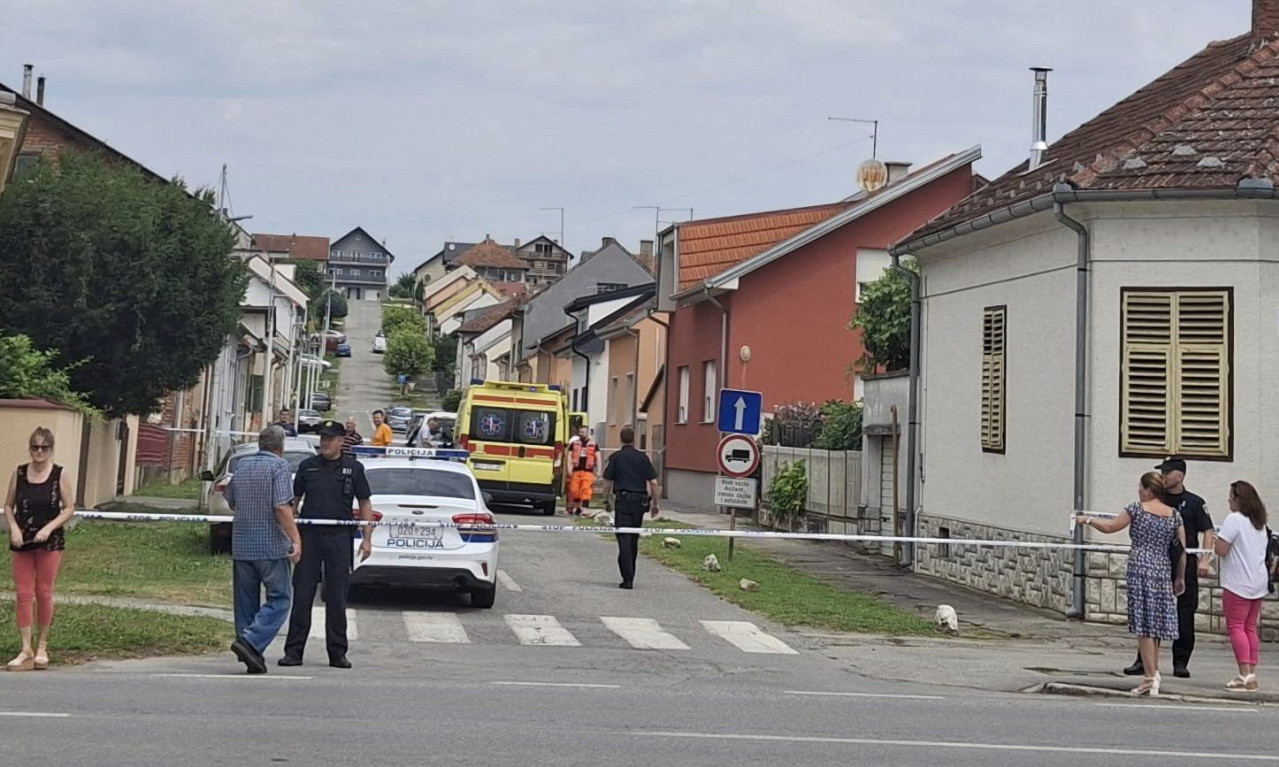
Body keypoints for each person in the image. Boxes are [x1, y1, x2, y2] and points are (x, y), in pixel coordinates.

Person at [280, 420, 374, 669]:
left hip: (338, 539)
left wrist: (367, 538)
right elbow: (294, 501)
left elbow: (364, 503)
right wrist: (292, 535)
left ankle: (337, 652)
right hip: (309, 537)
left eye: (330, 438)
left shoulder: (353, 469)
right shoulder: (308, 466)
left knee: (336, 597)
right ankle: (294, 651)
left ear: (342, 441)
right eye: (323, 437)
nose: (325, 442)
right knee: (302, 595)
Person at [1083, 472, 1186, 696]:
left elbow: (1111, 527)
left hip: (1140, 567)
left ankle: (1149, 676)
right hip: (1162, 569)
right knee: (1155, 623)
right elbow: (1182, 549)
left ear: (1149, 490)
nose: (1138, 491)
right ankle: (1154, 671)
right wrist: (1180, 577)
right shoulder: (1174, 515)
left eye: (1141, 487)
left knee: (1144, 625)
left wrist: (1088, 520)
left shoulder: (1137, 509)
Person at [1123, 456, 1214, 679]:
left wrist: (1204, 559)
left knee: (1185, 612)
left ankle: (1180, 661)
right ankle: (1144, 661)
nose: (1163, 476)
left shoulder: (1194, 502)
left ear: (1180, 476)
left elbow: (1208, 532)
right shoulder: (1157, 500)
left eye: (1167, 472)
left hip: (1184, 561)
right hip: (1158, 563)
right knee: (1151, 611)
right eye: (1161, 472)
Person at [224, 425, 302, 674]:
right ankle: (251, 640)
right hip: (270, 545)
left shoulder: (242, 466)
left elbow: (232, 500)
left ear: (260, 444)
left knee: (246, 601)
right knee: (281, 598)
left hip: (242, 544)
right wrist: (296, 539)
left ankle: (251, 653)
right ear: (281, 447)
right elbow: (281, 506)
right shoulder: (279, 466)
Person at [4, 428, 75, 672]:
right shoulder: (20, 473)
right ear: (30, 448)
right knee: (23, 593)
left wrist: (49, 528)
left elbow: (68, 508)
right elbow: (8, 505)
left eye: (44, 447)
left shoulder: (59, 474)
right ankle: (25, 647)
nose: (39, 452)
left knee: (43, 591)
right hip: (23, 540)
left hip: (49, 540)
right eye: (35, 447)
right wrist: (13, 528)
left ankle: (42, 644)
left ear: (51, 449)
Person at [1215, 480, 1270, 692]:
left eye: (1232, 496)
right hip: (1257, 581)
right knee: (1250, 628)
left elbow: (1222, 549)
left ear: (1239, 499)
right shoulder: (1259, 523)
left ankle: (1244, 673)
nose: (1229, 499)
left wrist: (1213, 540)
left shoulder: (1234, 520)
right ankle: (1251, 673)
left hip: (1237, 582)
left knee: (1236, 627)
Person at [601, 427, 659, 589]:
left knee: (624, 538)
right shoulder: (643, 458)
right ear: (634, 439)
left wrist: (606, 500)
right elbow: (653, 482)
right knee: (633, 538)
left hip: (623, 502)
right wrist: (656, 504)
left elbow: (607, 481)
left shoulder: (616, 458)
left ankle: (628, 577)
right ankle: (630, 573)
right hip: (640, 504)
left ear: (621, 439)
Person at [567, 427, 599, 516]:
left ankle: (584, 509)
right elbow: (569, 456)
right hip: (576, 470)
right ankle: (577, 508)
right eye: (580, 431)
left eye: (583, 432)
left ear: (587, 433)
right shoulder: (574, 444)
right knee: (574, 490)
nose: (581, 433)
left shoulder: (593, 444)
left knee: (586, 489)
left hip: (588, 471)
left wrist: (598, 471)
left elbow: (598, 457)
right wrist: (569, 467)